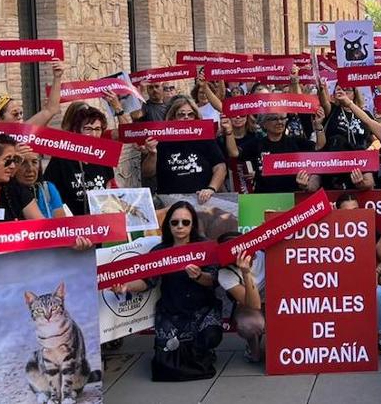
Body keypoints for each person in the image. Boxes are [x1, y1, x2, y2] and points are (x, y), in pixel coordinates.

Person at [113, 201, 223, 381]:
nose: (180, 227)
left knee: (209, 338)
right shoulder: (160, 251)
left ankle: (206, 350)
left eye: (185, 222)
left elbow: (213, 281)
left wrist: (198, 276)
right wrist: (126, 286)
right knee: (164, 367)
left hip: (201, 310)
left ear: (193, 224)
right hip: (172, 311)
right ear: (168, 225)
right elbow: (147, 281)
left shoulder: (204, 247)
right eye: (175, 222)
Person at [336, 194, 381, 361]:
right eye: (347, 212)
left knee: (379, 293)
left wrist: (376, 271)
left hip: (366, 280)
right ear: (338, 212)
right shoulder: (328, 230)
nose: (353, 215)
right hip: (337, 282)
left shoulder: (369, 228)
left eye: (356, 210)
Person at [141, 95, 227, 199]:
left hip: (202, 200)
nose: (186, 117)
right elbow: (147, 173)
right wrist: (152, 154)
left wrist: (211, 188)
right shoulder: (161, 139)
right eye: (181, 114)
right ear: (172, 117)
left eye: (191, 114)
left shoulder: (205, 138)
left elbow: (220, 167)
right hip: (170, 201)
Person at [42, 103, 117, 216]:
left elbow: (109, 187)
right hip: (72, 224)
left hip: (100, 222)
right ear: (76, 130)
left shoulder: (103, 157)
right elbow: (49, 192)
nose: (93, 134)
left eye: (97, 129)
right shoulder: (61, 159)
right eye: (88, 129)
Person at [0, 58, 65, 138]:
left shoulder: (22, 132)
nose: (20, 117)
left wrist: (57, 77)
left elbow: (51, 110)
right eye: (15, 113)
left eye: (21, 113)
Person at [215, 232, 266, 363]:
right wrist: (246, 273)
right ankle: (253, 349)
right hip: (249, 306)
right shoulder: (225, 273)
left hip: (275, 300)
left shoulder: (263, 253)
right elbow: (254, 305)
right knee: (251, 325)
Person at [15, 150, 67, 218]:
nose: (30, 169)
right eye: (23, 163)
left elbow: (61, 224)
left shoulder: (48, 188)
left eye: (34, 162)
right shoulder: (5, 193)